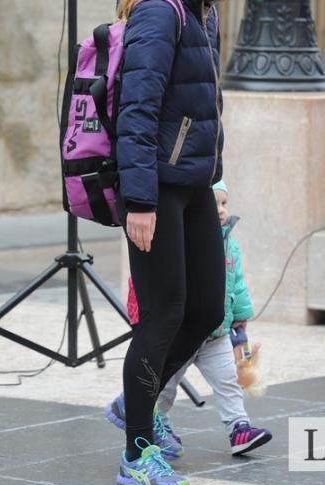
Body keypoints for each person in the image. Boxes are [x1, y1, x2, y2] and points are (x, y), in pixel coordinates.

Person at [112, 0, 251, 485]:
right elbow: (136, 112)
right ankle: (137, 450)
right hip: (158, 192)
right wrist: (140, 202)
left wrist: (210, 180)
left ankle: (132, 406)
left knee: (204, 311)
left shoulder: (203, 12)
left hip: (193, 186)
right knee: (163, 316)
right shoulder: (159, 12)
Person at [106, 181, 273, 460]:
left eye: (223, 204)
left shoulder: (229, 246)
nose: (219, 210)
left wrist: (241, 315)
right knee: (165, 387)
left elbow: (238, 283)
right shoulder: (178, 243)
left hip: (216, 333)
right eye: (215, 203)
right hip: (181, 333)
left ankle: (238, 427)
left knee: (228, 382)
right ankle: (155, 423)